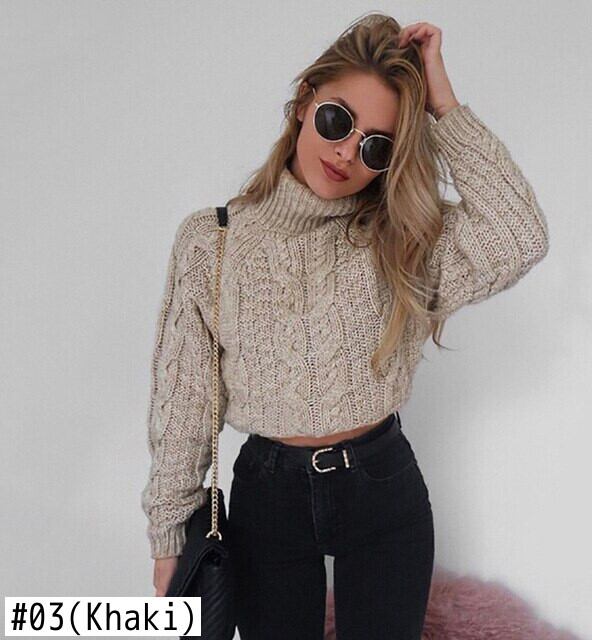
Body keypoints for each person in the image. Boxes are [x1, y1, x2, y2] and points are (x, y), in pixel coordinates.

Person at [141, 12, 550, 640]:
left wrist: (442, 104)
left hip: (382, 489)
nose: (347, 152)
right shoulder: (212, 242)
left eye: (376, 146)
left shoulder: (400, 239)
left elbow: (519, 234)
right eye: (338, 120)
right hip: (267, 498)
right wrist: (169, 535)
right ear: (305, 101)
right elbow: (185, 405)